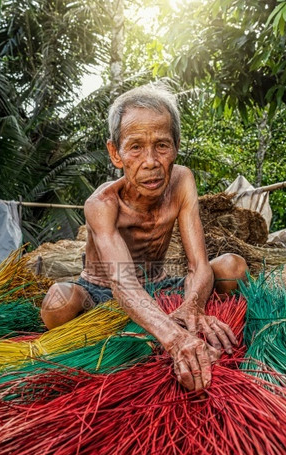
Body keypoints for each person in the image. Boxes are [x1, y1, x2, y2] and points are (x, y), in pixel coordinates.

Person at [40, 83, 248, 393]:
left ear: (175, 147)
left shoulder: (182, 180)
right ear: (116, 153)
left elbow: (198, 265)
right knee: (58, 304)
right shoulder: (102, 204)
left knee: (233, 266)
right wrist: (176, 338)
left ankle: (169, 313)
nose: (150, 161)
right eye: (135, 147)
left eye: (161, 146)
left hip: (160, 283)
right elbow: (123, 284)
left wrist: (193, 305)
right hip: (102, 290)